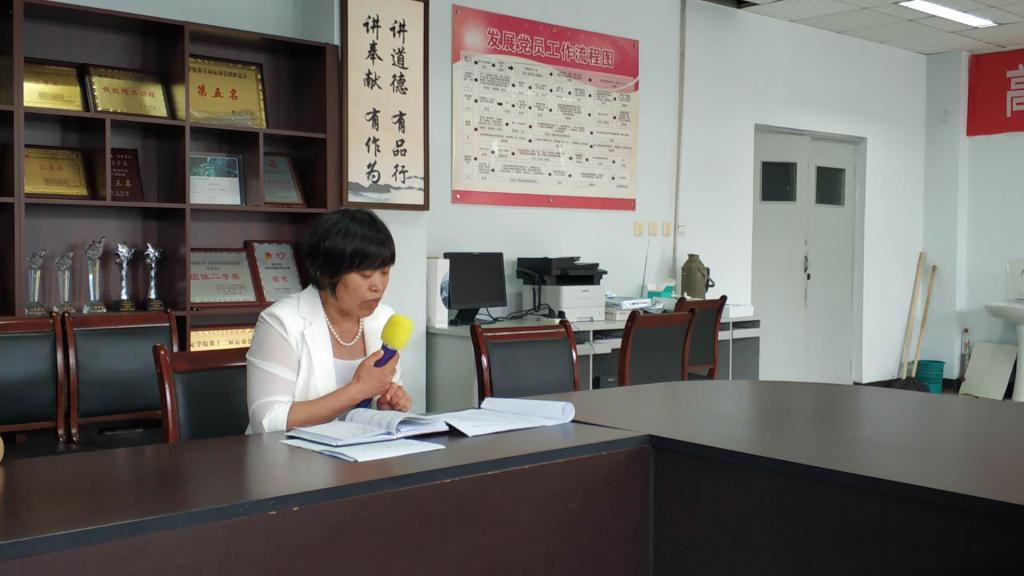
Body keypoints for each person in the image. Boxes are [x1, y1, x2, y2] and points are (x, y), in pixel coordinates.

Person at [246, 208, 412, 433]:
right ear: (326, 272)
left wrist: (385, 406)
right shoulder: (280, 323)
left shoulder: (383, 318)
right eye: (365, 275)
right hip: (289, 453)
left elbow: (374, 400)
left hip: (361, 451)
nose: (378, 286)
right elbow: (267, 422)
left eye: (385, 272)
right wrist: (357, 390)